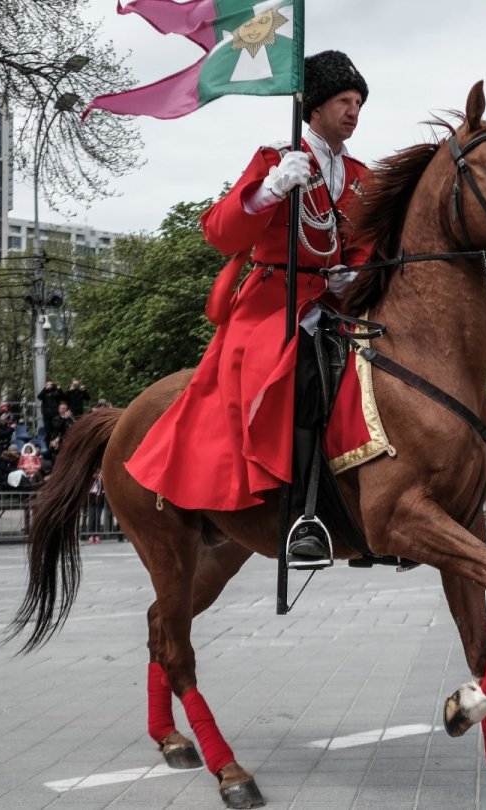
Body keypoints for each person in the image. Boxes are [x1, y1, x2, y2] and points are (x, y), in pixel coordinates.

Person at [125, 50, 371, 568]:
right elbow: (219, 231)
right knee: (304, 373)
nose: (353, 111)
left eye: (358, 102)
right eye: (344, 101)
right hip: (273, 302)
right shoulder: (276, 159)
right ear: (316, 107)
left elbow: (362, 245)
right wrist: (270, 189)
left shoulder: (358, 175)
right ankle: (305, 514)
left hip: (331, 301)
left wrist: (357, 274)